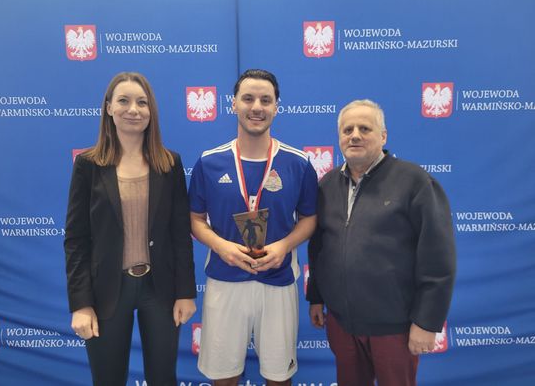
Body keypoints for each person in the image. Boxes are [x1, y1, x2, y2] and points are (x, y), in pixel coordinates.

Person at [307, 99, 456, 386]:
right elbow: (319, 247)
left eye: (365, 128)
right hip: (342, 324)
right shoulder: (327, 185)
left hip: (395, 327)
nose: (355, 135)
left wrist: (427, 321)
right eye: (347, 129)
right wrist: (316, 297)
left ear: (383, 136)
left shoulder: (414, 181)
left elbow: (438, 257)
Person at [64, 72, 197, 386]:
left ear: (151, 111)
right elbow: (76, 240)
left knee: (163, 379)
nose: (133, 109)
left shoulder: (169, 164)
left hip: (160, 290)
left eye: (142, 102)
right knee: (108, 380)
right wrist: (81, 304)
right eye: (123, 101)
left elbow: (180, 234)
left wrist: (185, 293)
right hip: (106, 291)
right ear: (109, 107)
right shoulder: (88, 165)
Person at [189, 69, 318, 386]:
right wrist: (221, 246)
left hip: (278, 280)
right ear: (233, 104)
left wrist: (284, 246)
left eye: (265, 100)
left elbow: (309, 219)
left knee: (278, 376)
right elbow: (195, 220)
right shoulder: (209, 162)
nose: (256, 107)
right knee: (223, 376)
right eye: (248, 98)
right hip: (225, 279)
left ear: (277, 107)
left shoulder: (298, 163)